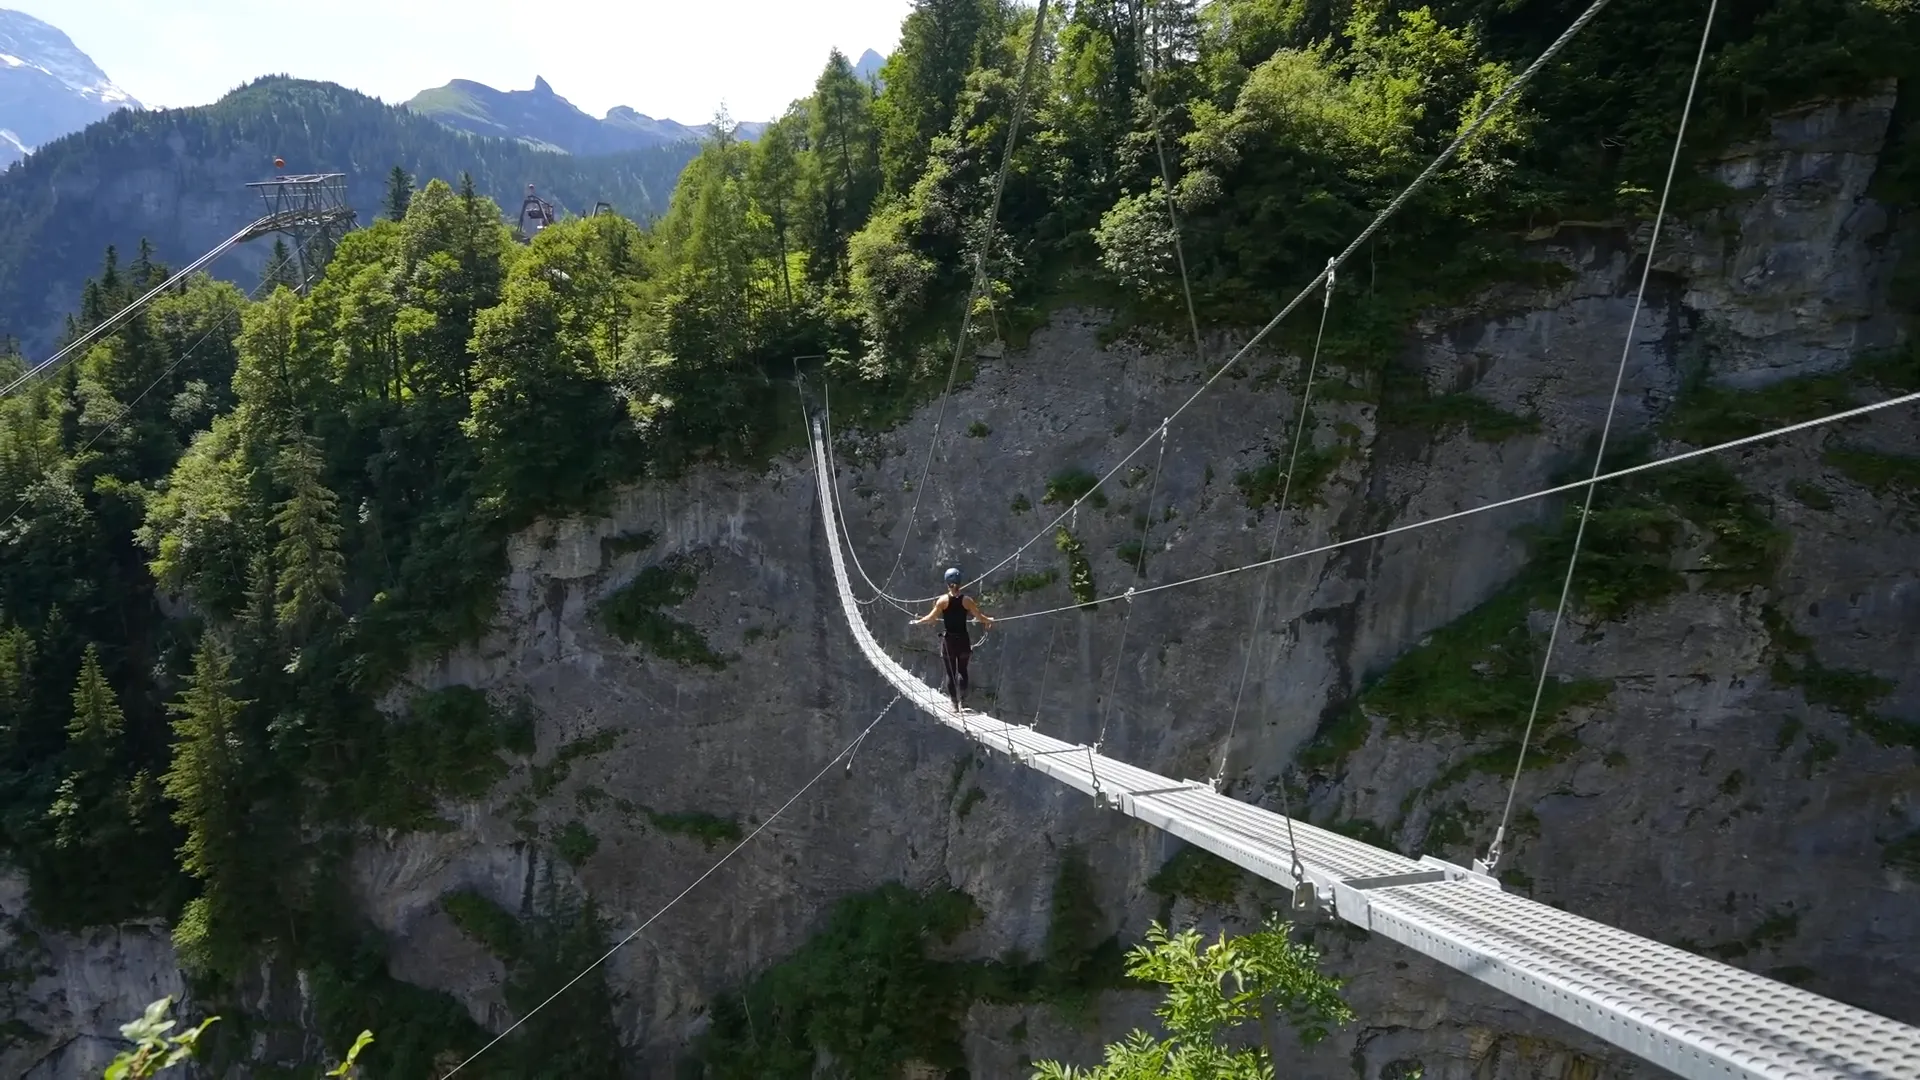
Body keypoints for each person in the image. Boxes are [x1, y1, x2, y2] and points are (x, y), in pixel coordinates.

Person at [911, 567, 994, 713]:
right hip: (963, 640)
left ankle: (954, 705)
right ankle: (963, 701)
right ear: (960, 582)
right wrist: (988, 620)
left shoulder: (942, 601)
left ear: (947, 583)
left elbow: (931, 617)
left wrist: (918, 622)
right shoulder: (967, 601)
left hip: (949, 641)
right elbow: (980, 617)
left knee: (951, 673)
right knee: (962, 671)